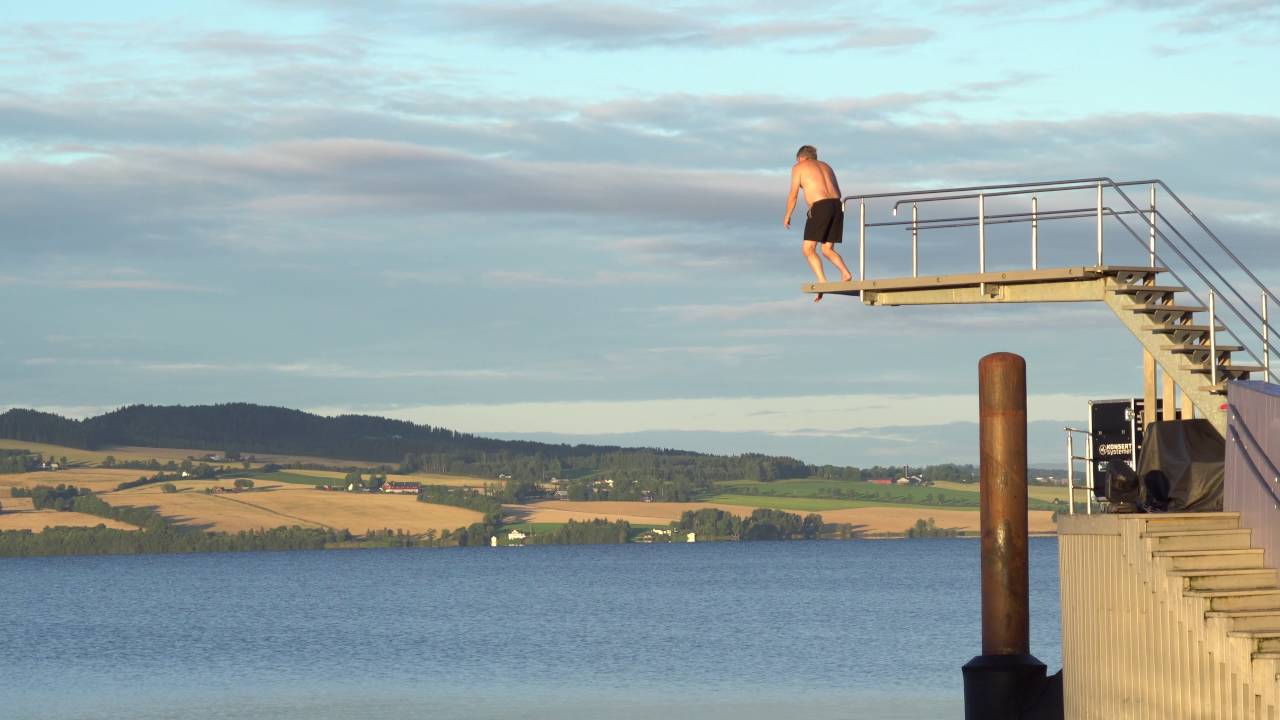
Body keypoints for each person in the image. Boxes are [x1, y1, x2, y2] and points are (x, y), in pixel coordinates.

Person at [783, 145, 853, 302]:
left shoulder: (799, 167)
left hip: (821, 207)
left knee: (808, 249)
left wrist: (788, 214)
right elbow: (837, 190)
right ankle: (845, 272)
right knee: (827, 249)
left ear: (801, 158)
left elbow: (793, 194)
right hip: (837, 205)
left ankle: (822, 282)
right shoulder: (826, 166)